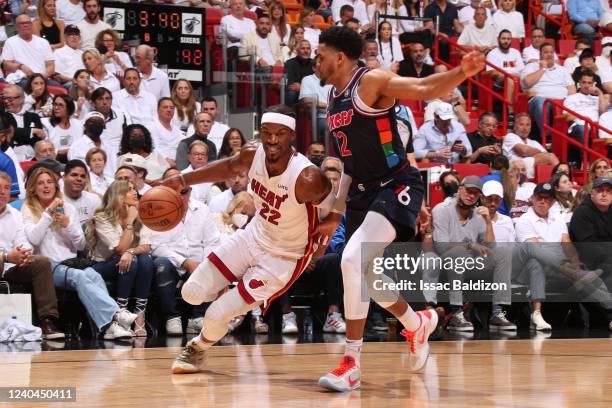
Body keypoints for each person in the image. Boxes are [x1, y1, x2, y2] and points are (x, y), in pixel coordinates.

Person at [314, 26, 483, 390]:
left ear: (339, 57)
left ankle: (351, 362)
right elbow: (348, 164)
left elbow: (422, 89)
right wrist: (334, 212)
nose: (316, 61)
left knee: (350, 260)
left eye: (320, 54)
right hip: (362, 192)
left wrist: (461, 72)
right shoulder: (332, 96)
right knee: (369, 278)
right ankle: (416, 323)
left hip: (396, 184)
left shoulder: (371, 81)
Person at [161, 106, 333, 374]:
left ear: (292, 136)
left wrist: (332, 224)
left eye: (280, 133)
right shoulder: (253, 154)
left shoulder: (306, 177)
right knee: (191, 293)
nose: (273, 140)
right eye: (267, 132)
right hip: (253, 235)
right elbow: (227, 167)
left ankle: (198, 348)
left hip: (283, 257)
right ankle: (229, 298)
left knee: (216, 314)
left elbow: (333, 195)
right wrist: (183, 179)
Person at [21, 166, 136, 340]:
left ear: (55, 186)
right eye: (40, 183)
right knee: (80, 278)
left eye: (50, 182)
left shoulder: (68, 208)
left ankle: (110, 327)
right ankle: (116, 316)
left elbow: (81, 244)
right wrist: (47, 216)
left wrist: (67, 225)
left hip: (70, 263)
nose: (46, 186)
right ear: (33, 188)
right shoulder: (27, 208)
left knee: (94, 276)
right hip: (46, 266)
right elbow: (33, 240)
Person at [432, 176, 514, 333]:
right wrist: (470, 245)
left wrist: (488, 221)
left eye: (476, 194)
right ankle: (456, 312)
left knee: (503, 253)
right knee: (459, 252)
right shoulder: (441, 210)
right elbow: (441, 246)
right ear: (460, 189)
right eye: (469, 191)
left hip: (471, 265)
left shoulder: (478, 215)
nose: (471, 196)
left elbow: (491, 247)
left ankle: (497, 313)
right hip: (445, 265)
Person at [151, 168, 222, 336]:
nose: (180, 196)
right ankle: (171, 317)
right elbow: (157, 246)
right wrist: (184, 262)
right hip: (173, 263)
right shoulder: (158, 212)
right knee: (161, 264)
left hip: (198, 262)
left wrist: (205, 262)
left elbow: (212, 241)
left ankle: (197, 318)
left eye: (184, 191)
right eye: (174, 191)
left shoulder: (202, 209)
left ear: (190, 190)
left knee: (212, 262)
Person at [0, 171, 64, 339]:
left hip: (11, 267)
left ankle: (48, 321)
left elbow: (23, 241)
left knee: (41, 262)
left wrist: (24, 254)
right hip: (3, 260)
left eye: (6, 188)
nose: (2, 192)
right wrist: (6, 256)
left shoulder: (15, 215)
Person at [87, 180, 155, 337]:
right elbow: (119, 249)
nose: (135, 192)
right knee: (133, 260)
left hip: (129, 263)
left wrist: (130, 252)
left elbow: (147, 246)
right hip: (101, 266)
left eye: (135, 189)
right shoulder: (102, 217)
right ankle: (121, 314)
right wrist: (130, 222)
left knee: (144, 259)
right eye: (129, 190)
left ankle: (140, 314)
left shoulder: (139, 215)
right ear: (118, 195)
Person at [521, 43, 575, 136]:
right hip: (538, 102)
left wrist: (569, 101)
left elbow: (572, 89)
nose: (549, 54)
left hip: (560, 103)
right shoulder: (531, 66)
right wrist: (543, 68)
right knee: (541, 101)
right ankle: (547, 136)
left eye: (551, 52)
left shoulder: (563, 69)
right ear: (540, 55)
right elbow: (527, 82)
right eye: (546, 52)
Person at [502, 113, 559, 179]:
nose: (525, 128)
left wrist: (532, 152)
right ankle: (563, 178)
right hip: (515, 169)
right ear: (515, 126)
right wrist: (539, 153)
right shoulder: (510, 136)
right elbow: (523, 150)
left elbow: (546, 155)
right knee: (550, 157)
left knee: (550, 157)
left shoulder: (534, 143)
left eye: (527, 125)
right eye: (521, 124)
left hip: (531, 172)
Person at [1, 14, 55, 81]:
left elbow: (50, 66)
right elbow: (6, 65)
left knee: (63, 88)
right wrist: (20, 66)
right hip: (21, 79)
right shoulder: (10, 42)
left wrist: (40, 78)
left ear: (31, 25)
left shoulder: (43, 42)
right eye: (21, 23)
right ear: (16, 27)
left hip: (42, 79)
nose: (25, 25)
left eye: (27, 23)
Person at [2, 84, 45, 161]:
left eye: (10, 99)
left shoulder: (33, 116)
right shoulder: (1, 116)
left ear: (21, 99)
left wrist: (18, 134)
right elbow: (7, 132)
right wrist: (31, 131)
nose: (6, 101)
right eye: (4, 98)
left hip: (33, 156)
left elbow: (38, 138)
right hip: (10, 156)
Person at [42, 94, 83, 160]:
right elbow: (46, 149)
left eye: (60, 105)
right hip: (55, 161)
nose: (56, 108)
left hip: (76, 159)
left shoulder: (78, 124)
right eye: (55, 104)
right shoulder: (46, 123)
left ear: (69, 109)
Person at [62, 159, 101, 224]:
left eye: (83, 176)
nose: (79, 179)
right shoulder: (57, 202)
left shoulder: (94, 200)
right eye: (74, 175)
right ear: (64, 177)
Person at [150, 98, 183, 167]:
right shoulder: (151, 127)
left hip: (178, 162)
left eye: (171, 108)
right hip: (159, 163)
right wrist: (167, 160)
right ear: (158, 110)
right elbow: (154, 148)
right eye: (165, 107)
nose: (169, 110)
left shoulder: (176, 129)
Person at [284, 40, 313, 107]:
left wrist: (302, 87)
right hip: (295, 93)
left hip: (310, 92)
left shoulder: (314, 64)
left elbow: (317, 82)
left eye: (308, 48)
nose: (306, 51)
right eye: (303, 48)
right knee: (291, 93)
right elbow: (290, 83)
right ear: (297, 51)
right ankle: (290, 115)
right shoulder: (289, 63)